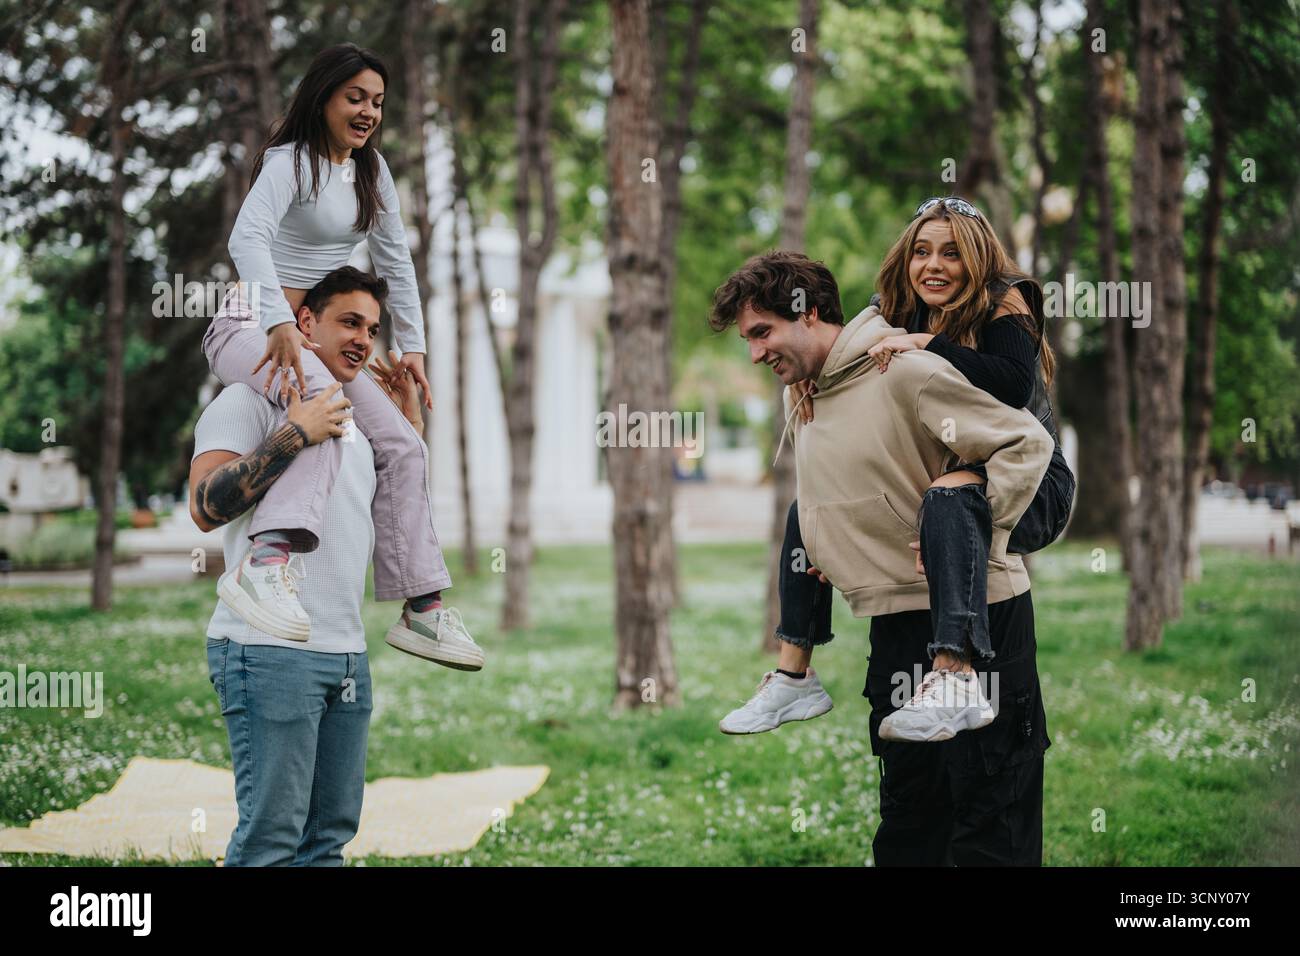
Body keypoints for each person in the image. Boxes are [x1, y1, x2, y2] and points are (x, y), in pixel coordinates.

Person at [710, 248, 1055, 864]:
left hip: (983, 625)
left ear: (808, 312)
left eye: (762, 333)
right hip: (895, 627)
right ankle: (794, 676)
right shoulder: (809, 391)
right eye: (748, 340)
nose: (755, 353)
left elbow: (1023, 442)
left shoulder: (903, 371)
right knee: (908, 822)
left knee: (989, 825)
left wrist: (981, 530)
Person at [719, 197, 1075, 740]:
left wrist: (925, 344)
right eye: (921, 252)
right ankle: (794, 673)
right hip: (967, 474)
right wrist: (810, 378)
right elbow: (848, 347)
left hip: (1033, 477)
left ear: (977, 259)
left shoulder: (1005, 301)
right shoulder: (901, 308)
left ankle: (956, 675)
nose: (933, 265)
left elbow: (1010, 388)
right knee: (804, 511)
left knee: (949, 495)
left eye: (951, 253)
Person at [203, 42, 478, 668]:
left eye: (378, 101)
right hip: (249, 325)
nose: (368, 111)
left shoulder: (371, 173)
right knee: (319, 410)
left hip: (310, 338)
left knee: (406, 444)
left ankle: (422, 609)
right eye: (355, 97)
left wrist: (412, 346)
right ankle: (264, 568)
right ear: (324, 96)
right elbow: (247, 236)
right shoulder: (289, 162)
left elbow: (396, 261)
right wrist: (276, 322)